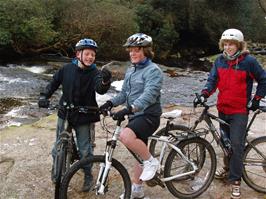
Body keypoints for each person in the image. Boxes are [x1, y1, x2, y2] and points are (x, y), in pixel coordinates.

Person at [194, 28, 266, 199]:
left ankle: (235, 181)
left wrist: (256, 99)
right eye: (225, 44)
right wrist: (204, 93)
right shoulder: (219, 61)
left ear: (239, 45)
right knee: (225, 144)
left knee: (236, 145)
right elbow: (212, 80)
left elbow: (263, 79)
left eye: (232, 44)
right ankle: (228, 168)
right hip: (223, 109)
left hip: (239, 111)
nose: (228, 47)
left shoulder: (248, 61)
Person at [38, 38, 112, 192]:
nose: (90, 57)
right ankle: (56, 169)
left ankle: (88, 175)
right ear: (78, 54)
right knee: (57, 147)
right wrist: (44, 96)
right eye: (87, 54)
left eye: (93, 54)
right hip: (65, 112)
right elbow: (53, 83)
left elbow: (100, 88)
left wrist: (105, 81)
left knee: (85, 150)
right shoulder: (66, 69)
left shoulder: (95, 72)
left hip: (85, 115)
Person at [100, 33, 163, 198]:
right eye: (131, 50)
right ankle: (137, 189)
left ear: (146, 51)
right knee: (139, 152)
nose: (132, 53)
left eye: (137, 50)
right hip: (135, 115)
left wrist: (130, 108)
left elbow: (149, 95)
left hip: (149, 115)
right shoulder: (131, 70)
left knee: (126, 136)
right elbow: (125, 94)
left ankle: (152, 162)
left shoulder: (153, 71)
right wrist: (110, 103)